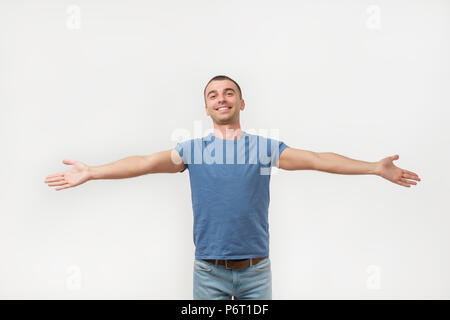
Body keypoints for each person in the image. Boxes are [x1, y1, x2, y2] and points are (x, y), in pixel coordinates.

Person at [44, 75, 421, 300]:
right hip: (208, 273)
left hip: (257, 272)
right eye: (212, 95)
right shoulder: (192, 150)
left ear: (241, 102)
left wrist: (374, 167)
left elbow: (319, 159)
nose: (221, 98)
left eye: (228, 93)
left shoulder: (263, 148)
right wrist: (92, 171)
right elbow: (142, 163)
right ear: (206, 108)